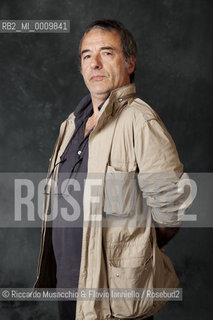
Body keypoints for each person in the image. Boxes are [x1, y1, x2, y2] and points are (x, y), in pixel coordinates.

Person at [34, 19, 189, 320]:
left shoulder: (140, 121)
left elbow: (172, 207)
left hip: (114, 295)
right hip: (70, 287)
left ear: (129, 62)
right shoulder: (71, 125)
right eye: (86, 55)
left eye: (106, 53)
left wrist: (134, 252)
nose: (94, 63)